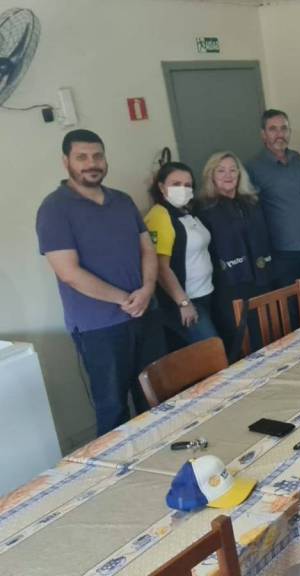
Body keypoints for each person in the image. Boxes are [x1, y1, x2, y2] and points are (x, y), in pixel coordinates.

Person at [36, 129, 164, 435]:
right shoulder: (54, 209)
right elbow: (68, 272)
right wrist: (125, 299)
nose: (91, 163)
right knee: (113, 407)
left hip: (146, 313)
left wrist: (147, 289)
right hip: (99, 327)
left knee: (157, 398)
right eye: (82, 157)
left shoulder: (122, 201)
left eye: (97, 156)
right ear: (66, 161)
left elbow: (147, 249)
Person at [197, 152, 273, 358]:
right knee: (241, 341)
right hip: (230, 286)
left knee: (268, 335)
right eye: (221, 171)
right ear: (211, 176)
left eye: (233, 170)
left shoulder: (252, 202)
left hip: (261, 279)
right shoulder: (203, 209)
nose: (228, 175)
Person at [245, 109, 300, 317]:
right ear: (263, 134)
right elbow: (252, 213)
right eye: (273, 129)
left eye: (284, 128)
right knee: (290, 311)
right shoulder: (253, 167)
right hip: (282, 254)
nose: (280, 134)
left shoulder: (297, 159)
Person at [143, 161, 218, 349]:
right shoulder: (159, 215)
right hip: (185, 301)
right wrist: (183, 303)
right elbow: (160, 267)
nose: (183, 189)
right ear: (161, 187)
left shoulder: (187, 212)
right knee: (211, 350)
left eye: (187, 185)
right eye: (176, 184)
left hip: (205, 293)